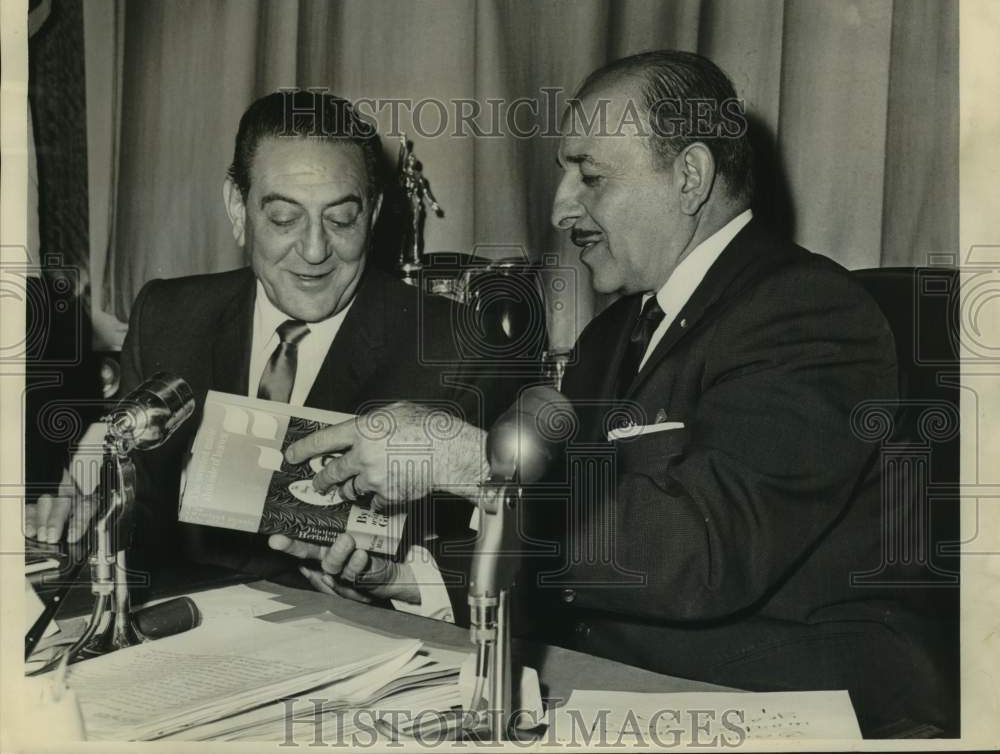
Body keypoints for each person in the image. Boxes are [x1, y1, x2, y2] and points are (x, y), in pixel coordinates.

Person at [278, 52, 950, 735]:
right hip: (627, 693)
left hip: (796, 709)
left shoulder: (808, 312)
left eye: (589, 177)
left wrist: (472, 461)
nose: (560, 207)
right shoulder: (612, 335)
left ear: (689, 176)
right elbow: (581, 551)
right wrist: (405, 579)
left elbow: (702, 553)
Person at [25, 90, 523, 624]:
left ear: (375, 214)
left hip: (350, 651)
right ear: (238, 209)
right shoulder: (167, 314)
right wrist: (89, 513)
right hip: (179, 631)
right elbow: (137, 504)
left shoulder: (457, 347)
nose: (313, 251)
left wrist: (393, 584)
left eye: (342, 220)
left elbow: (516, 550)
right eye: (284, 218)